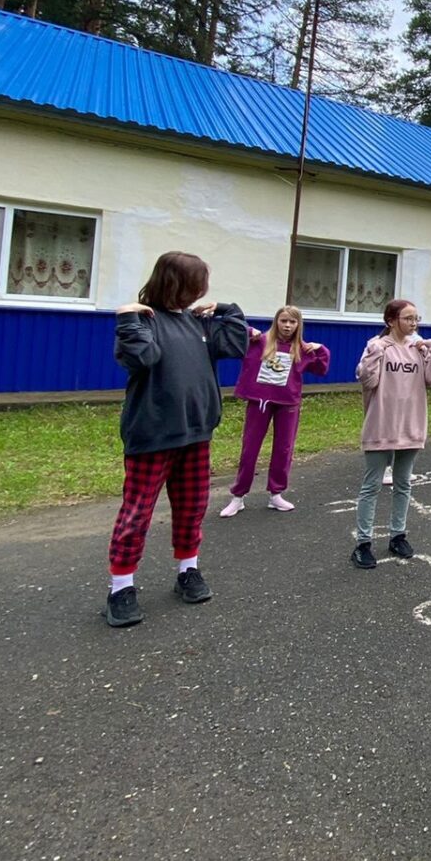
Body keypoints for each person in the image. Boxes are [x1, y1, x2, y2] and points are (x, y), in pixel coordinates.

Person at [104, 252, 248, 627]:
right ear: (176, 283)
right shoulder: (144, 319)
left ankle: (188, 570)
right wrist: (127, 318)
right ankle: (121, 587)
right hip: (152, 435)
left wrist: (228, 309)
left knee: (192, 506)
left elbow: (236, 345)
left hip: (196, 433)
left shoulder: (198, 323)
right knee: (137, 513)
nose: (203, 290)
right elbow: (141, 357)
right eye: (198, 282)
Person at [352, 299, 431, 569]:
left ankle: (398, 535)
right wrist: (374, 352)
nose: (414, 323)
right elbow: (367, 379)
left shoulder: (418, 348)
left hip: (410, 425)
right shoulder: (377, 345)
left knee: (403, 483)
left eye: (416, 318)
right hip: (381, 425)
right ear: (391, 320)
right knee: (371, 485)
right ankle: (363, 544)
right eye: (408, 318)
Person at [221, 305, 330, 517]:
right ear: (276, 322)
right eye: (283, 321)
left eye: (292, 322)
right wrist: (248, 330)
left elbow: (321, 368)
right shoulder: (260, 341)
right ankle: (238, 496)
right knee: (250, 449)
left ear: (298, 325)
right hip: (259, 402)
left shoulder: (301, 348)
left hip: (287, 404)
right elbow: (233, 329)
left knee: (283, 449)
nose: (287, 326)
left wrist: (320, 349)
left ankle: (276, 494)